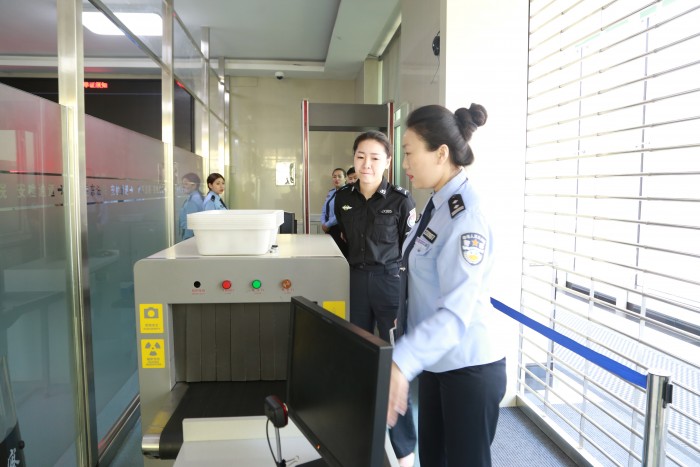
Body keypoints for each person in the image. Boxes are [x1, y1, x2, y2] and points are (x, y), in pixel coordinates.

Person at [387, 104, 506, 467]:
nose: (404, 163)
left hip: (469, 368)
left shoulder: (465, 217)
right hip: (437, 365)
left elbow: (456, 313)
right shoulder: (437, 206)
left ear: (441, 153)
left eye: (409, 152)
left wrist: (401, 362)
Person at [334, 130, 417, 467]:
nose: (366, 164)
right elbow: (343, 239)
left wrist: (405, 301)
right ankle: (361, 436)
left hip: (389, 284)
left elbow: (410, 252)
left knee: (396, 365)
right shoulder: (343, 198)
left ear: (387, 162)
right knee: (358, 360)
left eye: (374, 158)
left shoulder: (400, 201)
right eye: (360, 157)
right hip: (354, 282)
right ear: (353, 159)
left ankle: (404, 450)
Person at [321, 168, 348, 257]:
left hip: (340, 229)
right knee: (330, 255)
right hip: (328, 229)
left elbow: (341, 213)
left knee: (340, 256)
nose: (337, 179)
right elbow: (324, 209)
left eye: (339, 176)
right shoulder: (332, 192)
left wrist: (327, 224)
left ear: (345, 178)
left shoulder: (348, 194)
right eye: (334, 176)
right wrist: (323, 223)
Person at [178, 172, 204, 240]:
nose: (183, 186)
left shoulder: (193, 201)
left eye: (186, 184)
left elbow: (191, 224)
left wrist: (187, 239)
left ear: (194, 185)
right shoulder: (197, 197)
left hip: (191, 237)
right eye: (182, 184)